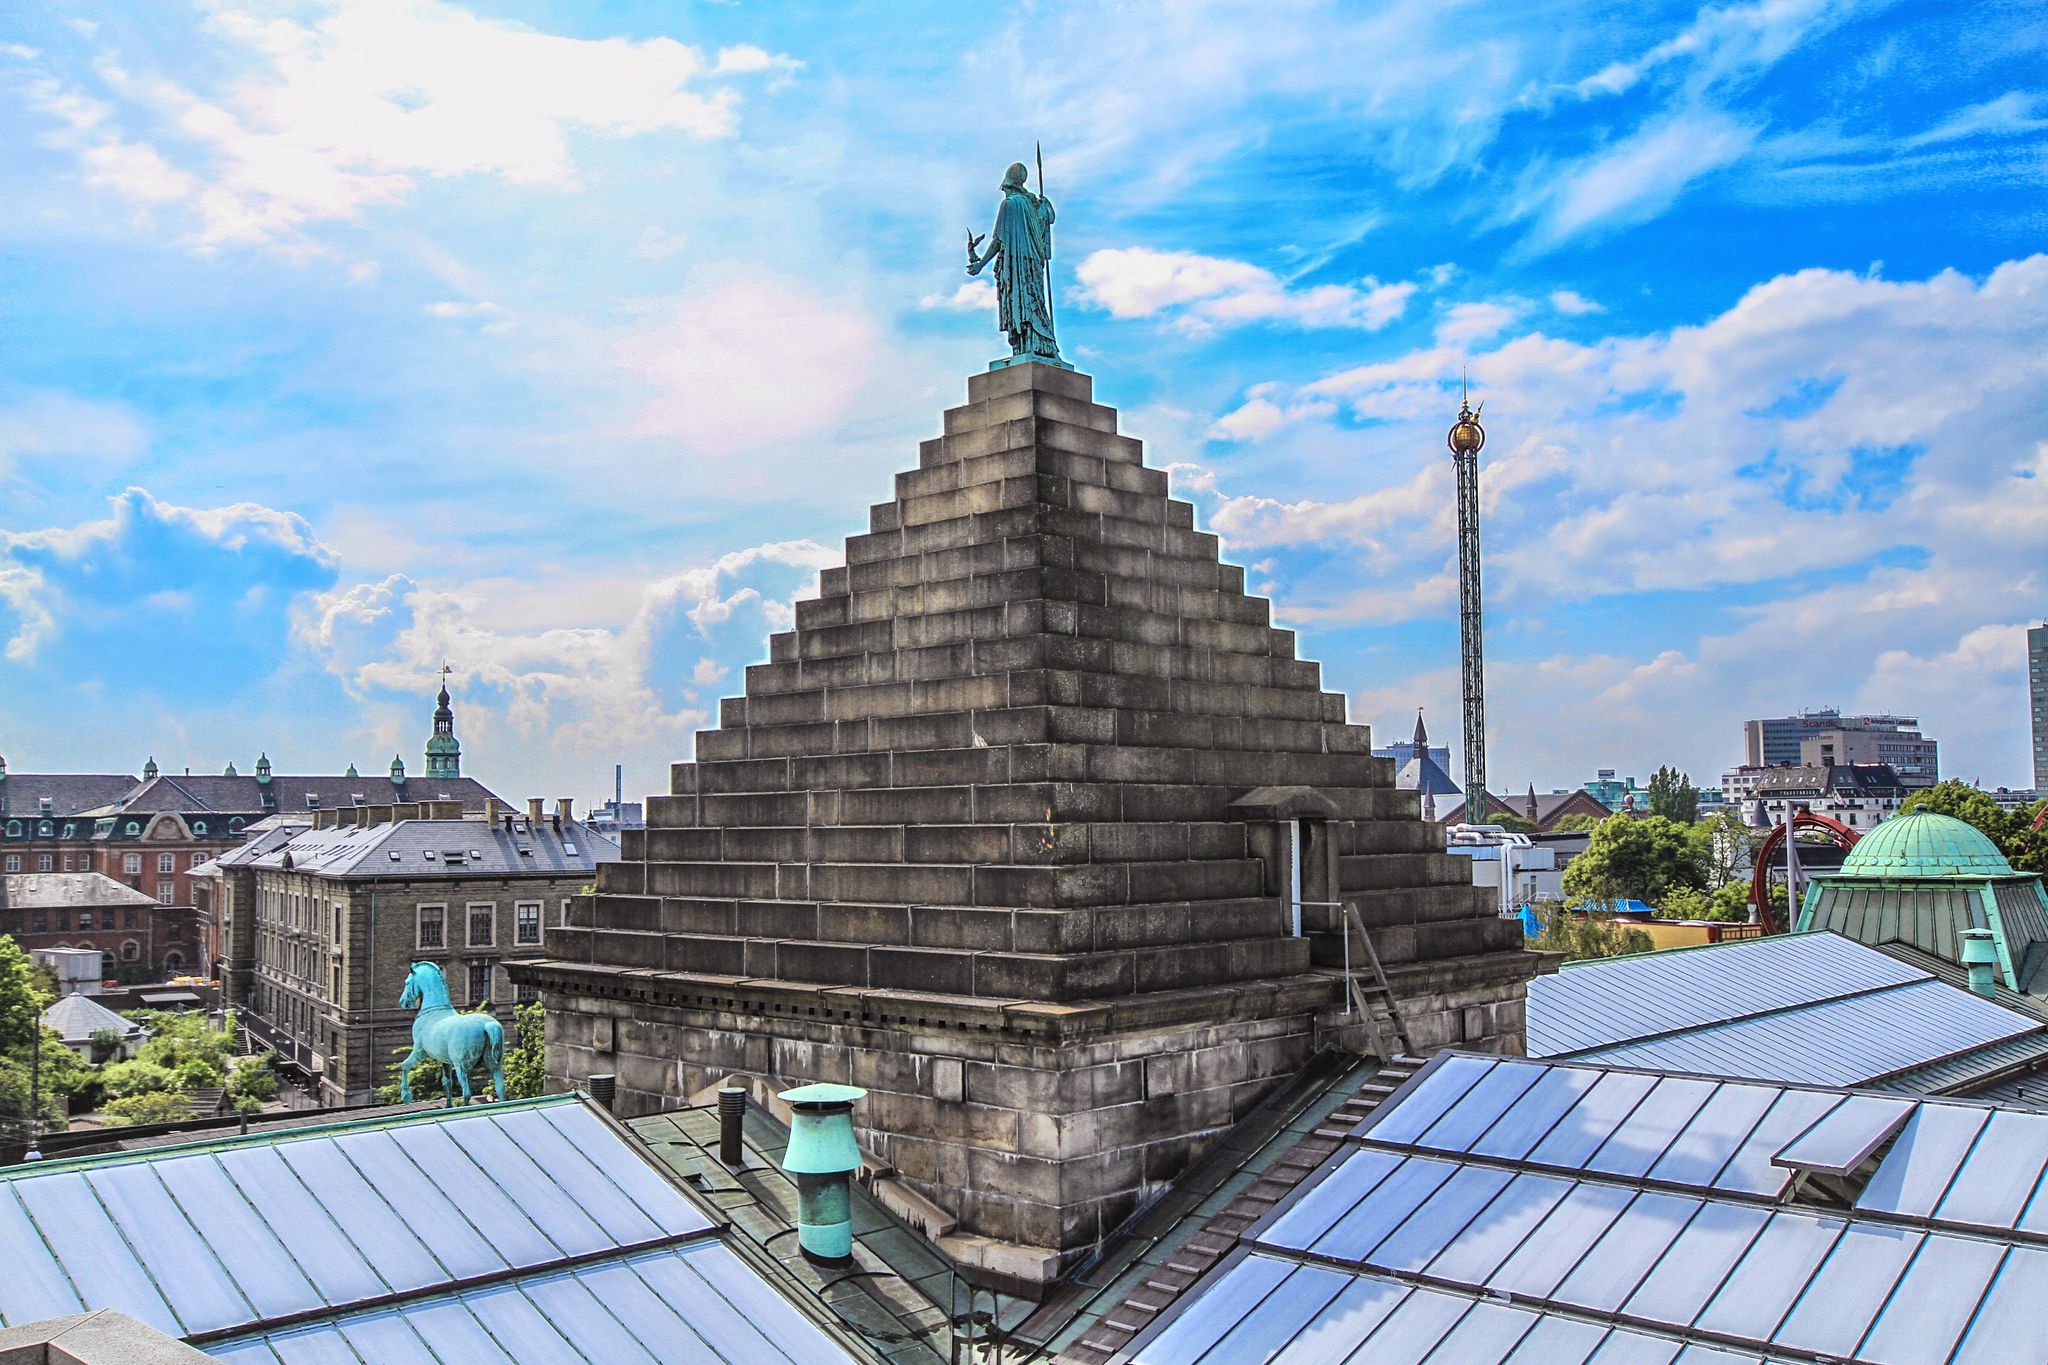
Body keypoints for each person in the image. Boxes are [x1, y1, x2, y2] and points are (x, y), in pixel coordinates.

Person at [967, 161, 1061, 364]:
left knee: (1020, 303)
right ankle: (1037, 344)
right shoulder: (1033, 205)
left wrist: (980, 265)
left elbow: (998, 240)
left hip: (1016, 266)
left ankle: (1028, 344)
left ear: (1008, 184)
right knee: (1034, 302)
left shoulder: (1010, 204)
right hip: (1033, 266)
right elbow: (1047, 219)